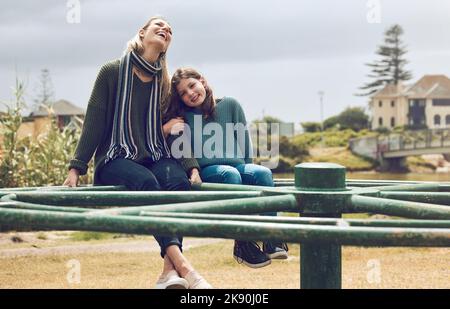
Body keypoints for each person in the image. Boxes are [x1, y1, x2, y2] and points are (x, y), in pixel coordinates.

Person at [63, 17, 211, 289]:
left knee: (176, 182)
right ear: (142, 33)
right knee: (148, 184)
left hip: (152, 155)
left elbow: (177, 127)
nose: (165, 29)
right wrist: (76, 168)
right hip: (115, 158)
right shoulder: (111, 71)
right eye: (159, 25)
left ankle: (169, 272)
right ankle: (186, 268)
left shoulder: (164, 83)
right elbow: (94, 121)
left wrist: (191, 167)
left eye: (170, 30)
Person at [164, 67, 289, 269]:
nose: (190, 94)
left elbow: (244, 142)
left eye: (192, 86)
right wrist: (193, 171)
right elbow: (183, 150)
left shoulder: (230, 105)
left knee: (264, 172)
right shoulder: (182, 117)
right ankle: (243, 243)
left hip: (239, 166)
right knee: (229, 174)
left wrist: (249, 168)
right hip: (209, 171)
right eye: (183, 94)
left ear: (202, 81)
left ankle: (271, 238)